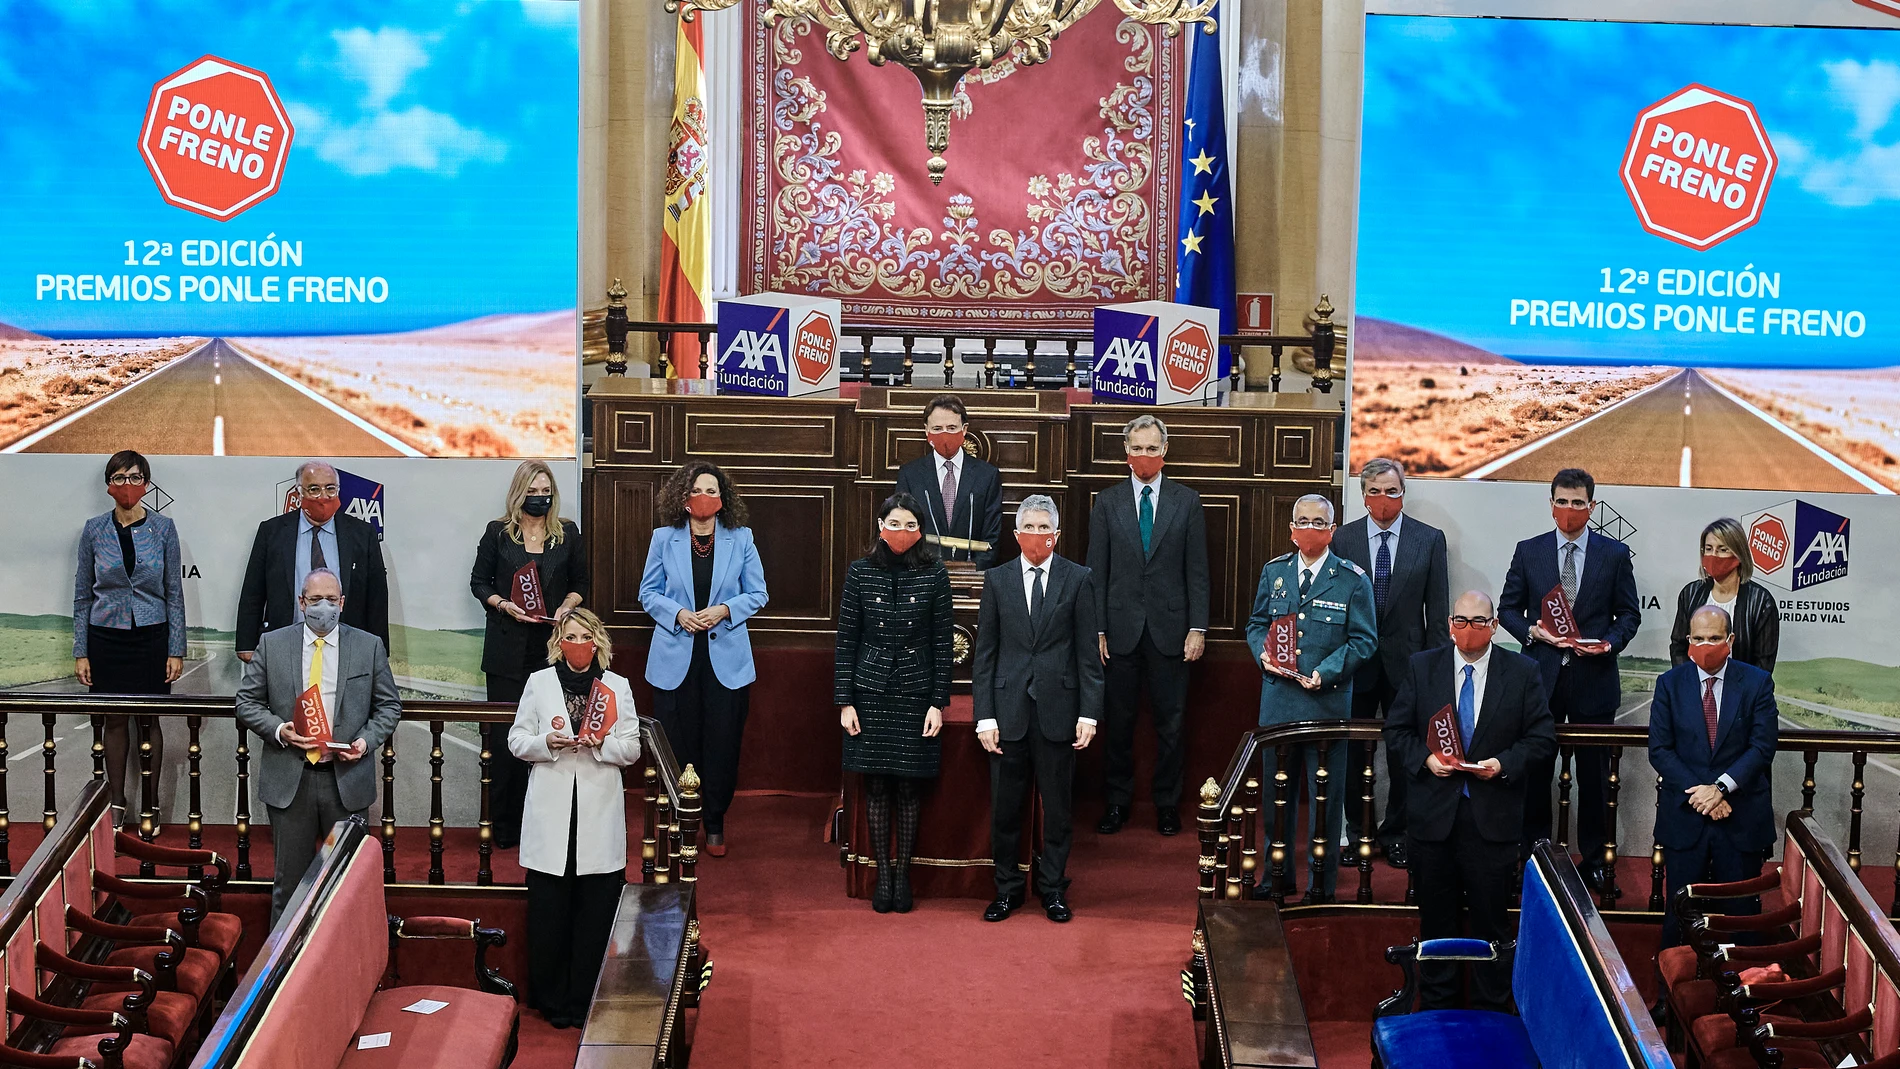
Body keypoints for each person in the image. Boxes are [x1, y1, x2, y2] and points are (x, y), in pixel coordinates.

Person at [1383, 590, 1555, 1011]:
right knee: (1437, 924)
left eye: (1479, 622)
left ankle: (1491, 1013)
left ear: (1494, 626)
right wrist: (1425, 759)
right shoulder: (1423, 667)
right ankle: (1439, 1013)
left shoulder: (1522, 671)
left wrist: (1503, 764)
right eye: (1461, 621)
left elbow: (1542, 738)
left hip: (1491, 819)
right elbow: (1397, 731)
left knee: (1490, 926)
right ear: (1448, 624)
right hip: (1433, 821)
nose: (1469, 630)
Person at [1499, 468, 1640, 890]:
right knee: (1535, 773)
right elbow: (1507, 609)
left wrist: (1609, 645)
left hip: (1594, 681)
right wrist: (1531, 631)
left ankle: (1595, 859)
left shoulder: (1614, 555)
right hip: (1539, 680)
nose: (1569, 509)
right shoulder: (1530, 551)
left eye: (1578, 502)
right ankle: (1536, 856)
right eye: (1562, 500)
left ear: (1591, 507)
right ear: (1551, 503)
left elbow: (1629, 615)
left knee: (1596, 779)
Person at [234, 569, 402, 923]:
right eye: (314, 600)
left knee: (347, 887)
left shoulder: (368, 646)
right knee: (289, 888)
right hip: (290, 783)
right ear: (301, 603)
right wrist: (280, 730)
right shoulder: (273, 644)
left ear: (342, 603)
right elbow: (246, 703)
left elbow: (389, 706)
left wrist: (364, 742)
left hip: (346, 782)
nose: (323, 606)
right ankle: (281, 975)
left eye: (330, 599)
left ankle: (349, 973)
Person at [508, 609, 641, 1028]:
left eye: (585, 635)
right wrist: (546, 741)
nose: (578, 642)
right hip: (552, 813)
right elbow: (516, 740)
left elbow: (632, 749)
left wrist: (602, 744)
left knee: (594, 915)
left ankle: (586, 999)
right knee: (550, 914)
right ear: (559, 641)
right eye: (570, 635)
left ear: (597, 641)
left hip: (598, 815)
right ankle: (551, 1002)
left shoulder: (616, 686)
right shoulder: (539, 682)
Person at [974, 495, 1103, 923]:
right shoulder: (996, 580)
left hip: (1059, 711)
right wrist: (985, 715)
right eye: (1027, 528)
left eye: (1042, 528)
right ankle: (1008, 890)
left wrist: (1089, 713)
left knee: (1059, 810)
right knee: (1006, 808)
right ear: (1016, 535)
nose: (1035, 536)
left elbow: (1088, 654)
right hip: (1007, 711)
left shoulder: (1079, 578)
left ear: (1056, 534)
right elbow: (986, 654)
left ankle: (1052, 889)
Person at [1245, 494, 1378, 904]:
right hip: (1279, 705)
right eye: (1302, 521)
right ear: (1291, 529)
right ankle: (1276, 876)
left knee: (1326, 800)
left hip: (1326, 706)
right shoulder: (1275, 572)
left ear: (1332, 530)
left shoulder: (1352, 579)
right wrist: (1262, 654)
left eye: (1318, 522)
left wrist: (1328, 672)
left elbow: (1364, 640)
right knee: (1276, 798)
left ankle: (1321, 883)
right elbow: (1256, 624)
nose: (1309, 528)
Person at [1087, 414, 1209, 838]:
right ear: (1126, 453)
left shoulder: (1186, 501)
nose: (1144, 455)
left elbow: (1197, 572)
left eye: (1151, 448)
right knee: (1117, 724)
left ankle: (1167, 803)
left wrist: (1199, 628)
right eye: (1136, 448)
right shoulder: (1106, 502)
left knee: (1171, 723)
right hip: (1119, 631)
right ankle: (1117, 802)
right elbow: (1095, 573)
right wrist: (1097, 629)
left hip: (1171, 632)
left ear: (1164, 452)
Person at [639, 461, 767, 857]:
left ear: (723, 499)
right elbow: (648, 593)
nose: (705, 498)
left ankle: (714, 822)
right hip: (676, 655)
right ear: (683, 497)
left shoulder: (741, 538)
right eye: (698, 490)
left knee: (722, 742)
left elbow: (758, 593)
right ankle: (681, 820)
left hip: (725, 660)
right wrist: (677, 614)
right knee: (678, 741)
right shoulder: (664, 537)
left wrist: (725, 610)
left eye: (713, 491)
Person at [835, 493, 955, 913]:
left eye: (909, 525)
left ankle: (902, 875)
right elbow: (847, 639)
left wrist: (938, 703)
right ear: (880, 526)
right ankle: (881, 877)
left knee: (908, 787)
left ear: (919, 530)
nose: (900, 532)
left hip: (916, 691)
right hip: (870, 691)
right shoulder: (860, 572)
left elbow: (944, 644)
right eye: (893, 523)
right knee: (876, 786)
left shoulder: (935, 573)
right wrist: (844, 701)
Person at [1336, 457, 1450, 866]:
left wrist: (1437, 672)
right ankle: (1355, 831)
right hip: (1354, 664)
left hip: (1410, 666)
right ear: (1363, 494)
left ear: (1404, 493)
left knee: (1407, 757)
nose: (1384, 498)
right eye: (1375, 491)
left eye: (1392, 490)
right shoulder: (1343, 540)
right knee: (1351, 753)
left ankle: (1398, 831)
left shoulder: (1429, 539)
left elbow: (1437, 615)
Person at [471, 460, 590, 849]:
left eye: (546, 491)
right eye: (533, 491)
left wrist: (567, 607)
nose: (540, 498)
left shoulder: (566, 533)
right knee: (507, 743)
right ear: (519, 493)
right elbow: (478, 583)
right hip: (506, 652)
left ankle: (547, 827)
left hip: (551, 652)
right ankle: (504, 828)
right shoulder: (498, 533)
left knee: (550, 737)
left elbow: (580, 583)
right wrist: (503, 604)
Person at [1649, 605, 1778, 948]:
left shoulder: (1756, 683)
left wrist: (1720, 788)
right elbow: (1660, 750)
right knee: (1680, 915)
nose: (1706, 646)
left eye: (1715, 638)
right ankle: (1671, 996)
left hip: (1740, 819)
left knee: (1740, 917)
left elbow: (1762, 748)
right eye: (1699, 638)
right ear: (1688, 640)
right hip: (1686, 816)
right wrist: (1704, 794)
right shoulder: (1669, 685)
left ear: (1730, 640)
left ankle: (1745, 996)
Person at [72, 450, 186, 826]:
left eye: (134, 478)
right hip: (106, 637)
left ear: (146, 484)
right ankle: (117, 805)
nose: (127, 485)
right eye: (119, 478)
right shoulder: (93, 530)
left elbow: (173, 592)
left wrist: (175, 648)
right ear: (108, 485)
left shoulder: (164, 529)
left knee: (149, 721)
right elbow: (83, 595)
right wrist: (81, 650)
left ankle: (151, 805)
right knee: (114, 722)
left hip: (152, 637)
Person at [236, 459, 389, 661]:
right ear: (299, 493)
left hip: (346, 649)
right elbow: (253, 592)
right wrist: (246, 644)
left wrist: (380, 650)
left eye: (330, 489)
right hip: (286, 647)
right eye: (314, 489)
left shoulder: (362, 534)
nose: (323, 497)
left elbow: (377, 597)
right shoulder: (271, 532)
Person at [894, 394, 1004, 566]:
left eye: (952, 428)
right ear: (926, 431)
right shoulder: (910, 475)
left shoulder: (987, 476)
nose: (944, 435)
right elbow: (903, 531)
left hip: (971, 576)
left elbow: (992, 537)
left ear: (964, 429)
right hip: (923, 575)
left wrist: (972, 572)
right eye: (937, 429)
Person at [1668, 518, 1780, 674]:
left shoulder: (1761, 602)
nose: (1714, 555)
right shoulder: (1690, 594)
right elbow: (1678, 647)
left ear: (1739, 553)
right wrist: (1689, 686)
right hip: (1695, 690)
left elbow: (1763, 664)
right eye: (1708, 549)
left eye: (1722, 549)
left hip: (1743, 693)